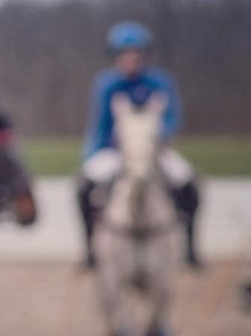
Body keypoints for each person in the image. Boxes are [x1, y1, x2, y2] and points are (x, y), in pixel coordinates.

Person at [77, 20, 202, 270]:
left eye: (136, 53)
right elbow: (99, 123)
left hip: (155, 150)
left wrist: (158, 140)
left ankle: (190, 247)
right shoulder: (106, 85)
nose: (131, 59)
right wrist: (92, 154)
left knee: (189, 183)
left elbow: (171, 118)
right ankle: (90, 248)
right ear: (116, 56)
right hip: (115, 151)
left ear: (145, 55)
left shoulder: (160, 82)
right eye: (125, 54)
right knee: (83, 187)